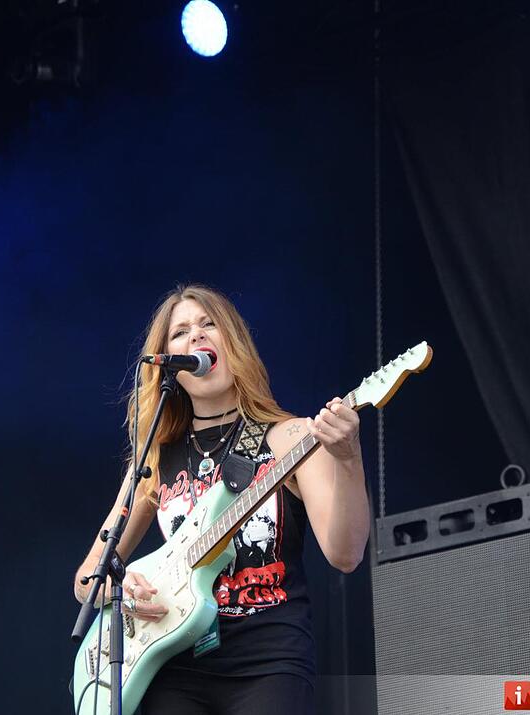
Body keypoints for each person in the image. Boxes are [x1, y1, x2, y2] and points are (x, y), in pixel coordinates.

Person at [73, 284, 370, 715]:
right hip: (174, 666)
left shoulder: (294, 438)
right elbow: (88, 578)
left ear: (233, 343)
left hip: (269, 661)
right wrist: (124, 590)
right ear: (169, 364)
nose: (195, 335)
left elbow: (345, 554)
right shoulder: (153, 458)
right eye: (180, 332)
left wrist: (348, 458)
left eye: (208, 324)